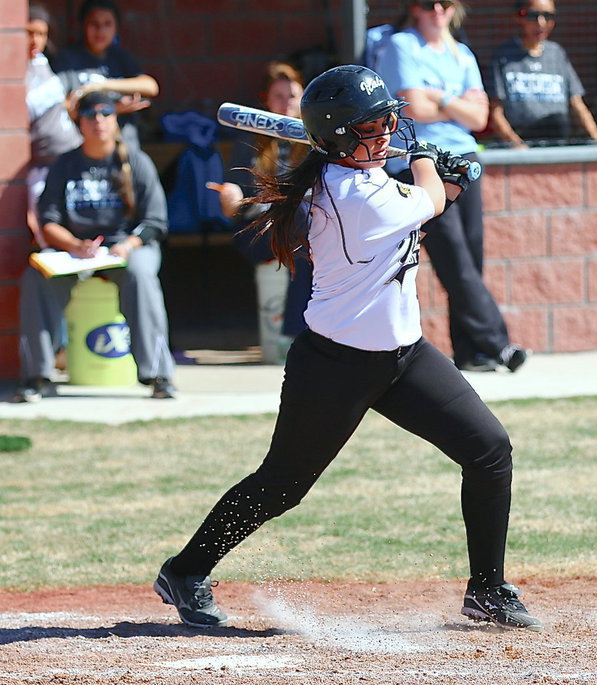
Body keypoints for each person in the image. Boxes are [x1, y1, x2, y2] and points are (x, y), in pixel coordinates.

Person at [153, 64, 543, 632]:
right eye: (370, 126)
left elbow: (425, 202)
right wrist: (434, 165)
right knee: (281, 486)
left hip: (404, 358)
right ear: (336, 136)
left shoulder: (362, 180)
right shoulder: (353, 195)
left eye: (386, 121)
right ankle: (185, 571)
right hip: (335, 364)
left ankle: (487, 586)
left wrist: (445, 180)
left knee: (489, 450)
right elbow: (426, 200)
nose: (385, 133)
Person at [375, 0, 527, 373]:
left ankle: (472, 353)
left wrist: (437, 97)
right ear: (415, 8)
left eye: (445, 3)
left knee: (470, 257)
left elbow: (478, 117)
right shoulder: (401, 46)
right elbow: (410, 107)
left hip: (464, 159)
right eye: (429, 4)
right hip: (420, 164)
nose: (438, 10)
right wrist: (454, 102)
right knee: (453, 257)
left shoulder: (463, 53)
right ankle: (499, 343)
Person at [14, 91, 176, 403]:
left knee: (142, 275)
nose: (98, 121)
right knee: (35, 277)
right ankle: (37, 376)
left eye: (106, 113)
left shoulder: (136, 161)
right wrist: (74, 245)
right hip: (76, 252)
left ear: (116, 120)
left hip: (126, 249)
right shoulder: (65, 164)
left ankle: (158, 374)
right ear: (80, 123)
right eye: (90, 115)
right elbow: (48, 221)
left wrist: (128, 246)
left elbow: (156, 222)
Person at [212, 61, 312, 338]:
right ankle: (298, 333)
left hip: (303, 227)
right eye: (278, 96)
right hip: (260, 229)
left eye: (292, 96)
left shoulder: (315, 138)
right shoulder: (251, 139)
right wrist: (231, 197)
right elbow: (236, 196)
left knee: (307, 231)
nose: (286, 103)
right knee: (304, 227)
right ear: (266, 101)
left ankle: (302, 333)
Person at [488, 0, 597, 145]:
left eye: (548, 16)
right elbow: (495, 112)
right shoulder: (503, 55)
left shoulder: (557, 53)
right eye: (532, 15)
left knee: (558, 121)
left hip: (558, 141)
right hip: (521, 139)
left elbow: (577, 105)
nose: (541, 23)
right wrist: (517, 146)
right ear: (518, 17)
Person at [52, 0, 159, 150]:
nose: (100, 31)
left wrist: (102, 85)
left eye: (107, 24)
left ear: (116, 28)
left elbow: (150, 86)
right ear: (83, 26)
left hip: (124, 147)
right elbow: (66, 107)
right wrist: (113, 109)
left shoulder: (119, 57)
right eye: (94, 24)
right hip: (83, 150)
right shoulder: (68, 60)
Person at [26, 3, 83, 248]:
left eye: (41, 33)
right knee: (50, 238)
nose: (34, 40)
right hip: (41, 167)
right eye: (28, 33)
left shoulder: (42, 62)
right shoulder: (9, 69)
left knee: (82, 227)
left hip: (72, 157)